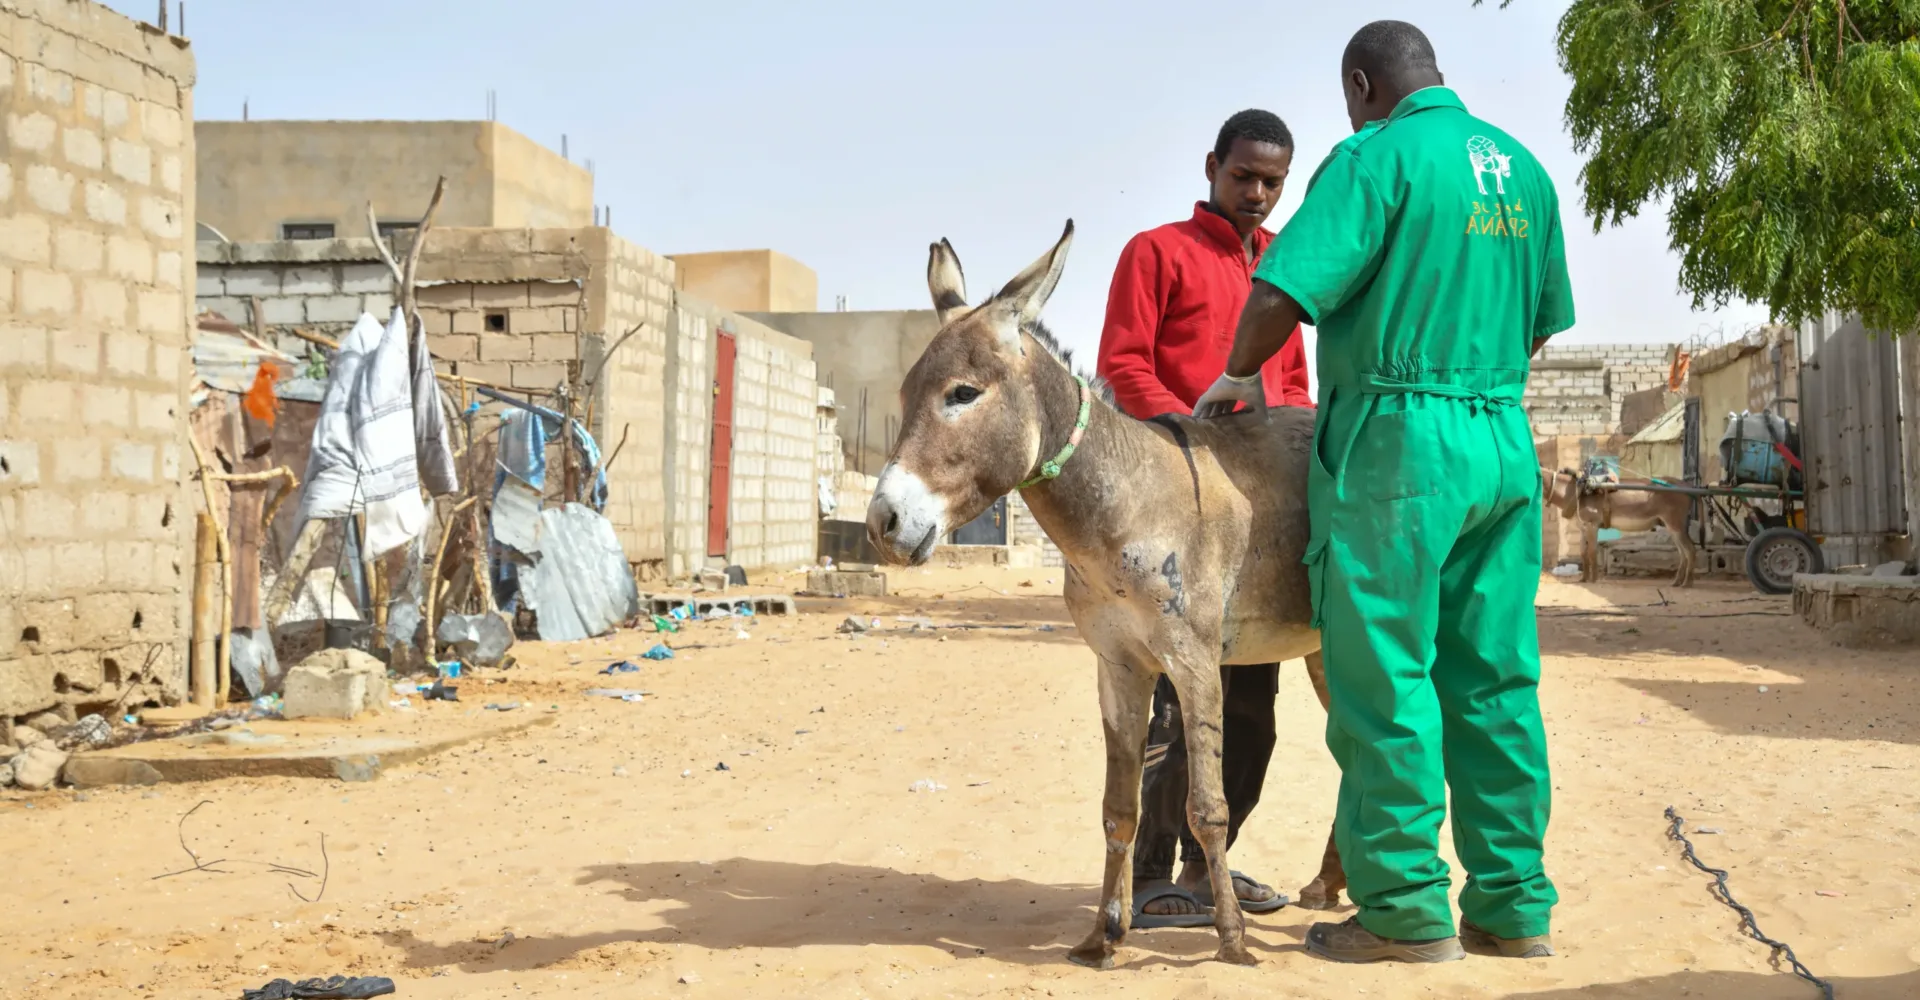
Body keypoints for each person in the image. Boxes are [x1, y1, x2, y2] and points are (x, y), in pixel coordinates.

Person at [1194, 20, 1572, 963]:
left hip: (1400, 450)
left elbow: (1282, 294)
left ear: (1362, 84)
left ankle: (1403, 911)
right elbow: (1539, 325)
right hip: (1501, 437)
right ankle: (1512, 906)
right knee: (1494, 677)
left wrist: (1240, 376)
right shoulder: (1523, 169)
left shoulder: (1372, 160)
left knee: (1384, 677)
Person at [1092, 108, 1314, 928]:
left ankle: (1206, 863)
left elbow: (1291, 384)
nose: (1256, 194)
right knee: (1168, 703)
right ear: (1211, 167)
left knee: (1251, 708)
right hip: (1171, 510)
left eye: (1272, 182)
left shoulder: (1286, 270)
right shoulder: (1156, 252)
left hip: (1254, 519)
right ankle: (1149, 877)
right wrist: (1195, 430)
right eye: (1243, 177)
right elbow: (1121, 367)